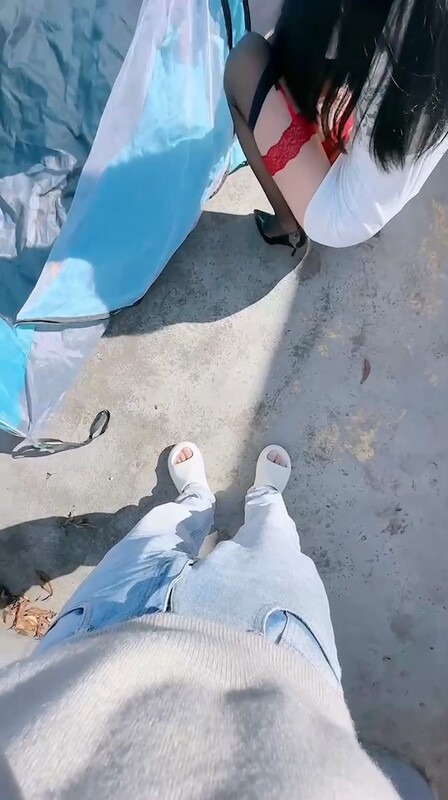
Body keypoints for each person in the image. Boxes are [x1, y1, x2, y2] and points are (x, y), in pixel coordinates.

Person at [0, 443, 399, 799]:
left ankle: (196, 502)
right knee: (275, 546)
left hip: (92, 640)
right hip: (277, 661)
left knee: (151, 537)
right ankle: (265, 500)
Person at [224, 0, 448, 256]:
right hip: (387, 195)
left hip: (336, 216)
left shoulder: (388, 19)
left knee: (245, 61)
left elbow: (302, 41)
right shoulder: (427, 29)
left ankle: (287, 224)